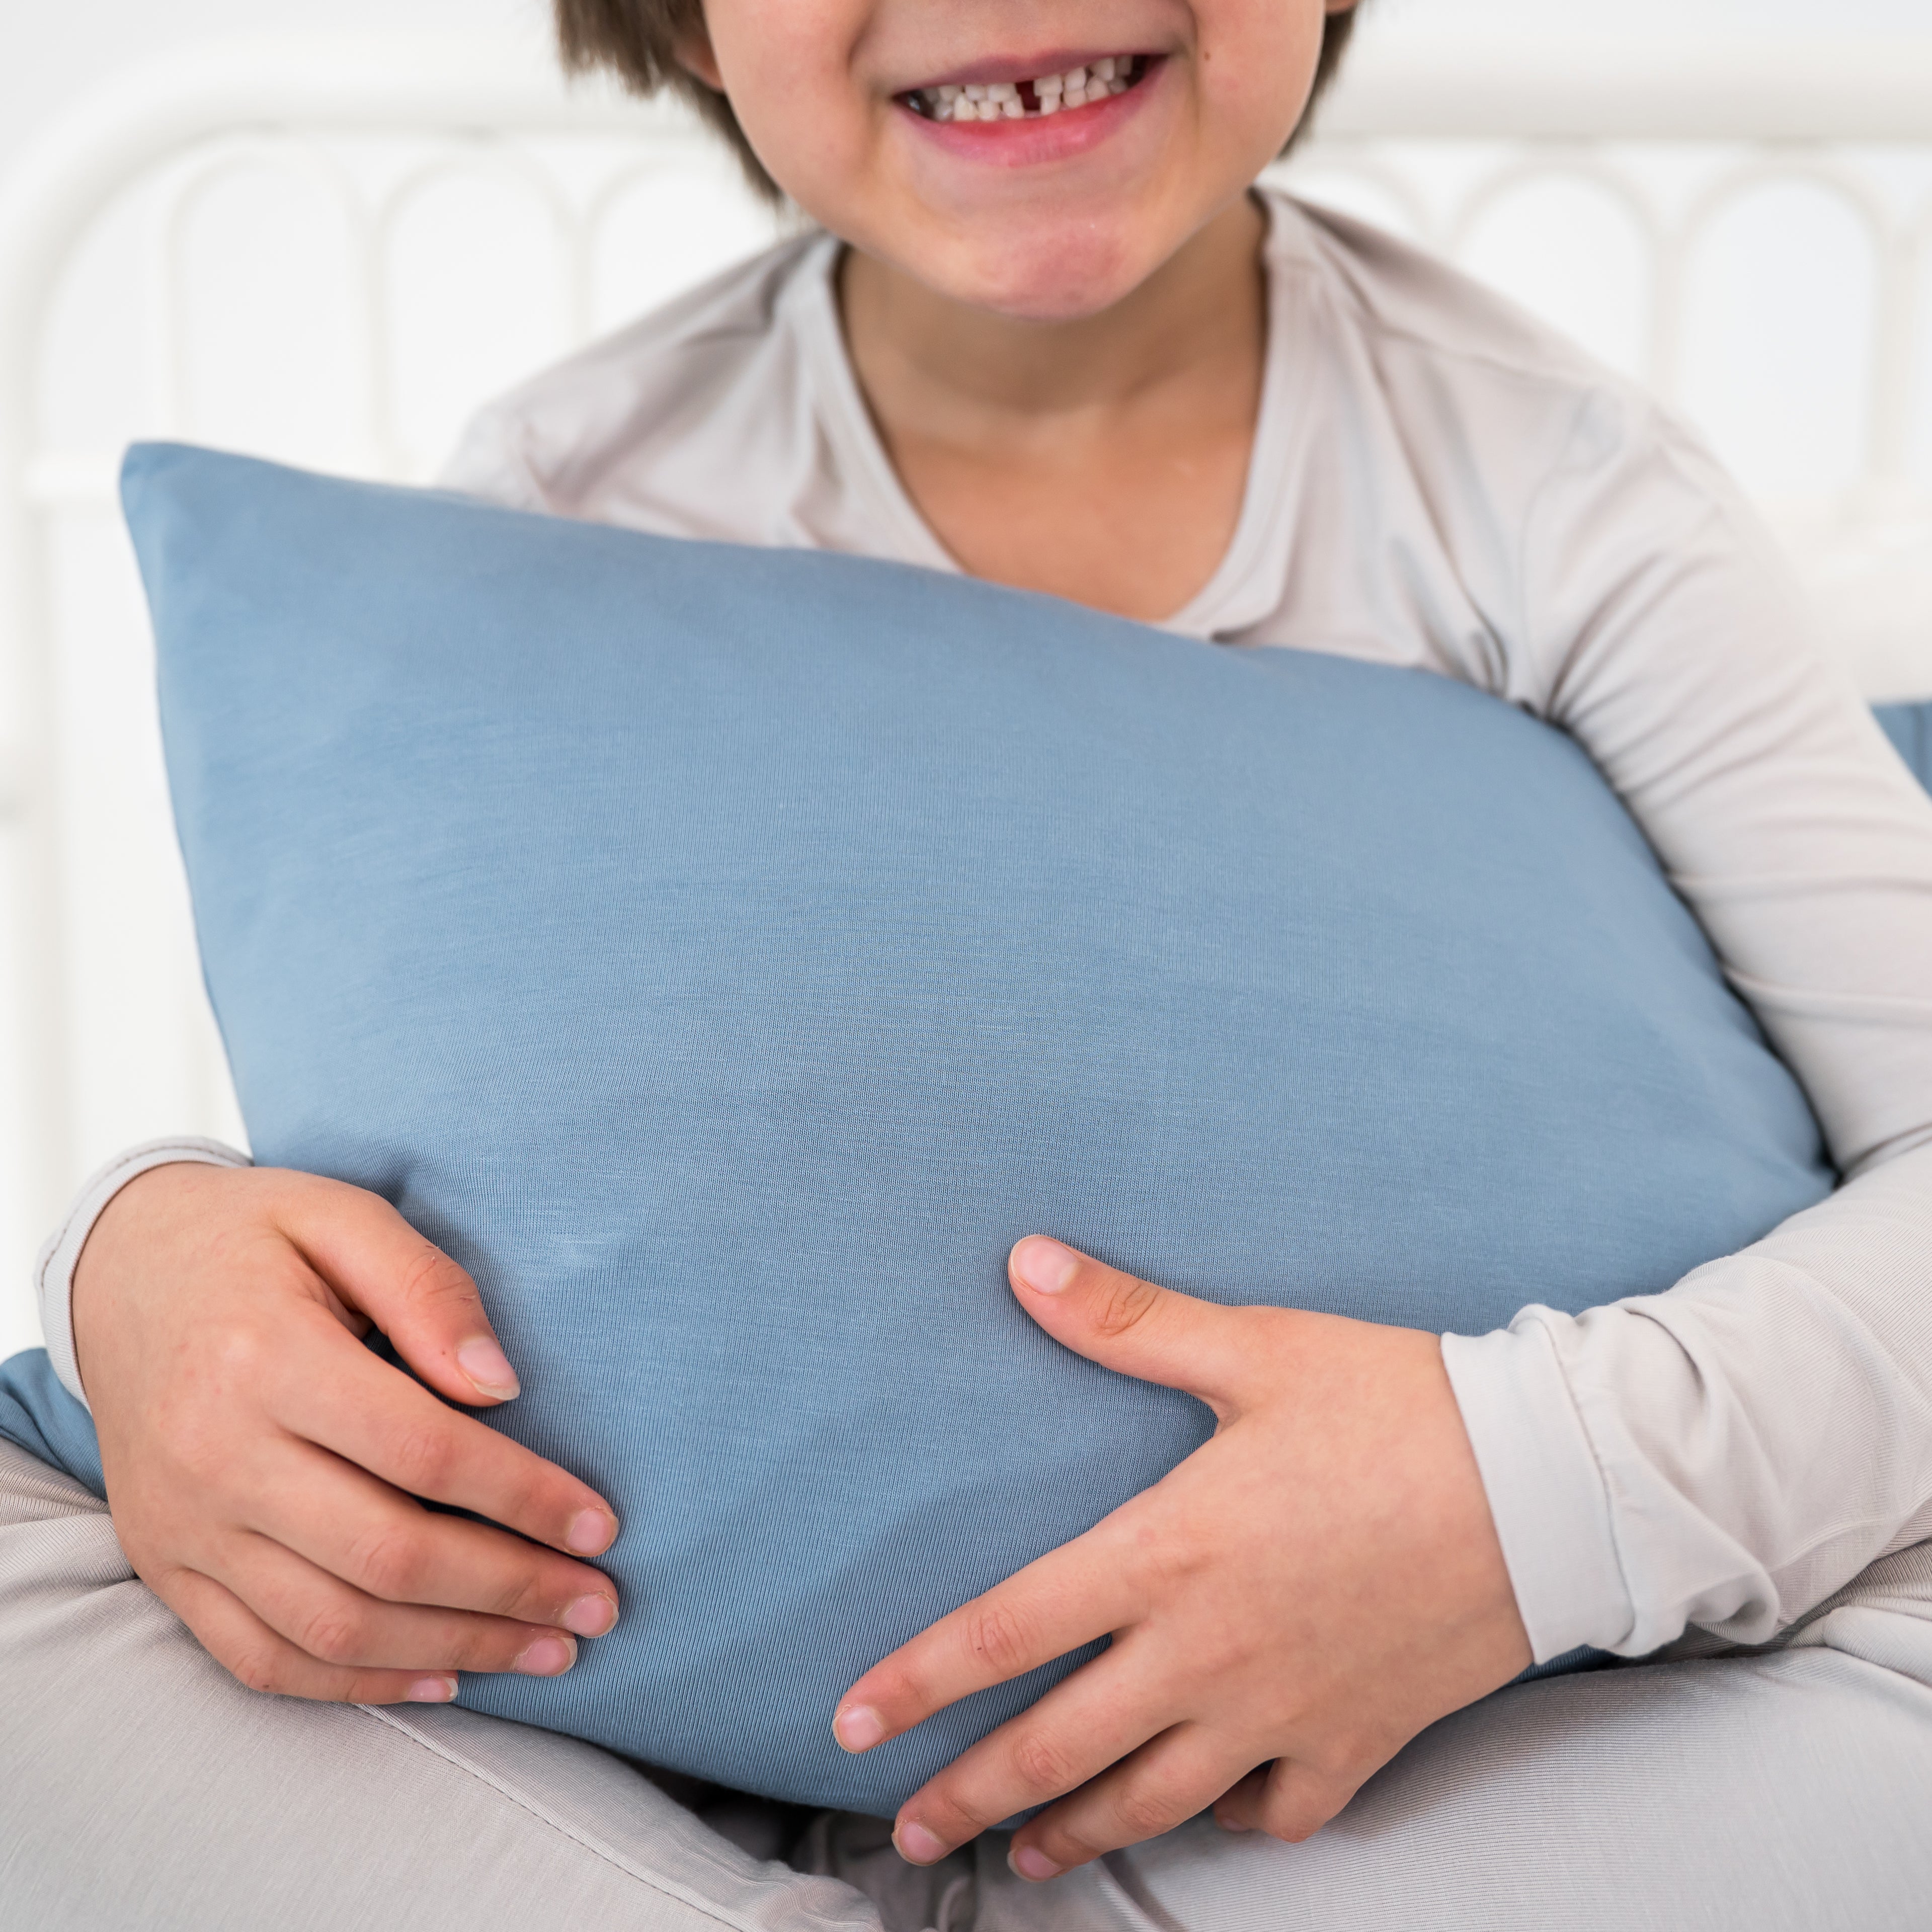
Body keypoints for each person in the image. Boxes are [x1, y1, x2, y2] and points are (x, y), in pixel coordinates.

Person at [5, 1, 1932, 1925]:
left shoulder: (1567, 501)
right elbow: (439, 1177)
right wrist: (138, 1251)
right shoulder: (565, 503)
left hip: (1440, 1762)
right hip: (684, 1757)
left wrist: (1512, 1503)